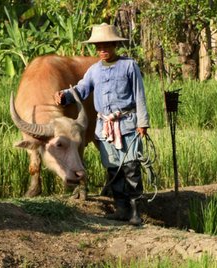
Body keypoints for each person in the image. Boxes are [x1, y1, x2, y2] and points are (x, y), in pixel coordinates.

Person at [56, 23, 149, 226]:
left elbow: (139, 95)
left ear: (115, 45)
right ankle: (121, 209)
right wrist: (64, 96)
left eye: (106, 45)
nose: (102, 50)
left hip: (127, 124)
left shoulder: (129, 66)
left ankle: (135, 212)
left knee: (131, 167)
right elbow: (81, 89)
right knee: (113, 169)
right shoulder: (94, 71)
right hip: (104, 127)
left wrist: (142, 123)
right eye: (99, 46)